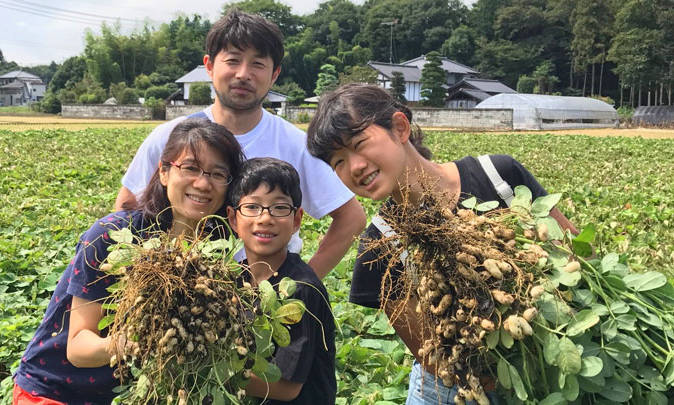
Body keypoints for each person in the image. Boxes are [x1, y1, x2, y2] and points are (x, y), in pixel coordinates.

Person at [306, 84, 578, 405]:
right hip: (453, 391)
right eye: (337, 162)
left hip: (548, 368)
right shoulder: (379, 247)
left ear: (400, 128)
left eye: (359, 144)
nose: (354, 167)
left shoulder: (498, 176)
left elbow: (575, 257)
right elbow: (437, 358)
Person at [115, 10, 365, 279]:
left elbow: (351, 218)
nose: (244, 74)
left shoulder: (296, 144)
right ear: (209, 66)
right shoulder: (170, 138)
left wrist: (301, 283)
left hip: (266, 302)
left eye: (258, 64)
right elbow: (127, 207)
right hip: (181, 291)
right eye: (233, 60)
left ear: (274, 74)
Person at [12, 119, 245, 405]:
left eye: (218, 174)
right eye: (191, 168)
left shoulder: (217, 249)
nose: (203, 183)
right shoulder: (114, 235)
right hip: (55, 390)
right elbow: (77, 347)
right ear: (164, 171)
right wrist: (131, 343)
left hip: (128, 395)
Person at [227, 158, 336, 404]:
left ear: (297, 219)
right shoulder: (233, 280)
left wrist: (211, 374)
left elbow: (285, 387)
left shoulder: (302, 289)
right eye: (252, 207)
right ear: (233, 219)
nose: (265, 218)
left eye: (279, 208)